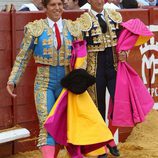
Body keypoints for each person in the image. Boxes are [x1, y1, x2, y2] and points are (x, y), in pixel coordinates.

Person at [6, 0, 113, 157]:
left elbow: (82, 55)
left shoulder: (73, 27)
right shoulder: (34, 29)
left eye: (60, 4)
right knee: (47, 125)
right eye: (53, 5)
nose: (57, 8)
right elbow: (22, 57)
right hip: (44, 83)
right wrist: (12, 80)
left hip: (67, 83)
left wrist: (81, 78)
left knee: (71, 125)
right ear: (45, 7)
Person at [81, 0, 128, 157]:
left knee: (121, 105)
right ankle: (103, 145)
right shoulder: (82, 21)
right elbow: (79, 48)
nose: (100, 1)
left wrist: (125, 53)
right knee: (98, 108)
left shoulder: (115, 16)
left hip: (114, 67)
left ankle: (108, 137)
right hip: (95, 70)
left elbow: (124, 41)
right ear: (89, 1)